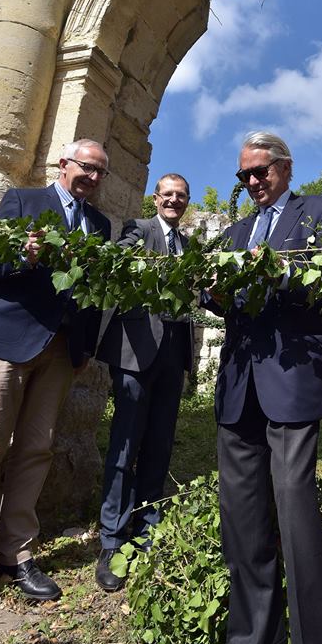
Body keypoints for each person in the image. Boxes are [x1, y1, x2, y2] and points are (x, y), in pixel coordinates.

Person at [194, 132, 322, 644]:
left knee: (296, 521)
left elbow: (320, 277)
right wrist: (209, 286)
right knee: (243, 522)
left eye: (262, 172)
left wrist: (265, 269)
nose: (254, 183)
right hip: (238, 390)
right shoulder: (234, 232)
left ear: (285, 167)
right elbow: (226, 304)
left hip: (291, 385)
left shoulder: (317, 213)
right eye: (245, 176)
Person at [0, 139, 111, 625]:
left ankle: (16, 553)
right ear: (64, 164)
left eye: (102, 172)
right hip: (6, 343)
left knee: (36, 450)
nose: (94, 179)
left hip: (60, 353)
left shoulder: (99, 224)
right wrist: (23, 253)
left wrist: (83, 348)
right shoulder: (23, 201)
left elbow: (96, 288)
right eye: (88, 168)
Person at [94, 173, 194, 591]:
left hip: (173, 352)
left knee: (160, 442)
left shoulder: (191, 247)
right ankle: (111, 538)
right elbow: (122, 258)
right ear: (156, 199)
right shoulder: (139, 229)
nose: (174, 200)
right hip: (136, 350)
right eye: (167, 194)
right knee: (126, 442)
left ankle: (147, 524)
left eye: (181, 196)